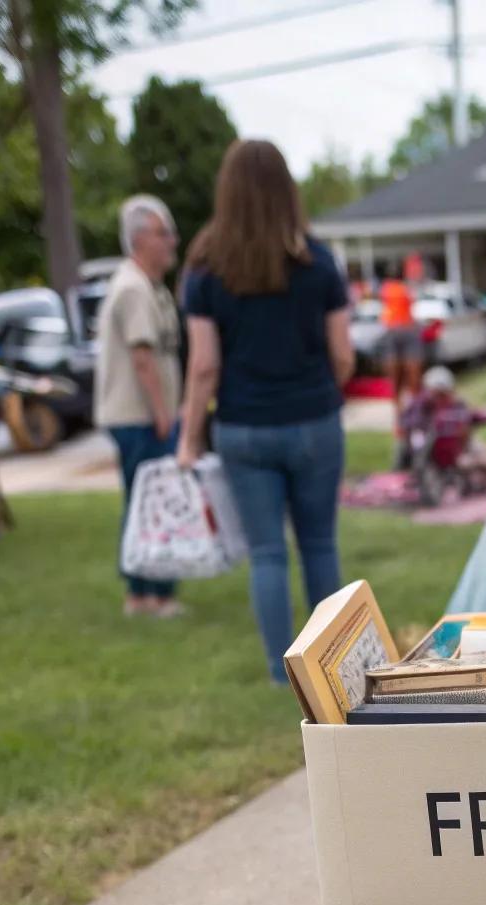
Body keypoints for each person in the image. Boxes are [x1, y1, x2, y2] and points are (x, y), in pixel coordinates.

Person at [177, 139, 353, 684]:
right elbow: (343, 355)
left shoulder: (205, 269)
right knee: (319, 543)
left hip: (244, 429)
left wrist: (188, 437)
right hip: (315, 422)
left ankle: (282, 676)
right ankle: (329, 666)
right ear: (287, 189)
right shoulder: (319, 262)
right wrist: (323, 391)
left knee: (267, 554)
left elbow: (203, 366)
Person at [95, 194, 182, 617]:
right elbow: (143, 358)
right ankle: (150, 596)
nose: (173, 241)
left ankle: (146, 593)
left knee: (146, 505)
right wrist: (164, 414)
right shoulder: (132, 288)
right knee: (152, 506)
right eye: (164, 233)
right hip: (141, 418)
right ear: (141, 238)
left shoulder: (151, 287)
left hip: (147, 417)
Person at [379, 262, 422, 421]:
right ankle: (407, 413)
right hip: (402, 329)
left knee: (400, 377)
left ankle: (403, 413)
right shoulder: (399, 288)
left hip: (397, 329)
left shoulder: (387, 288)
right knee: (407, 377)